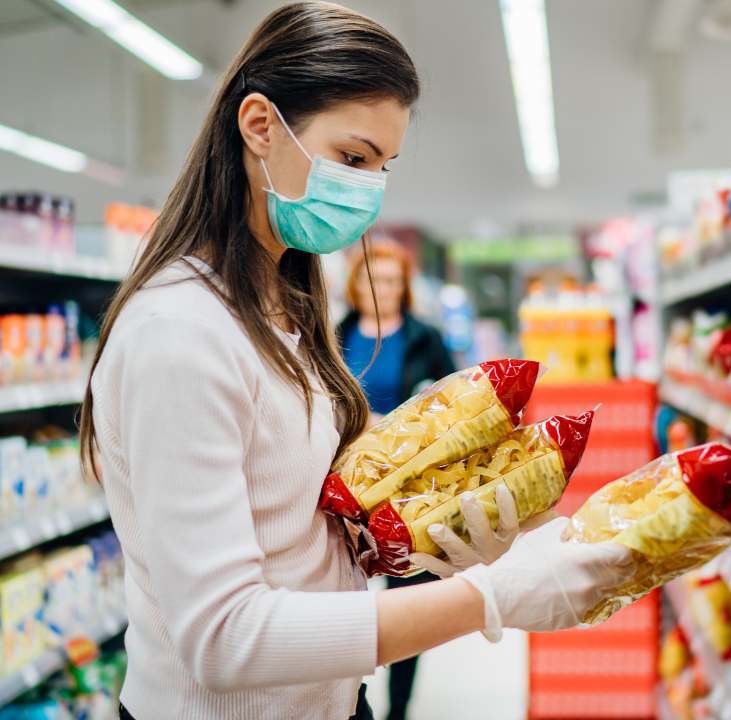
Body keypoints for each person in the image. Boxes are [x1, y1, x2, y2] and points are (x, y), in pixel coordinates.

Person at [78, 3, 632, 720]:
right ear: (259, 126)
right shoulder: (179, 331)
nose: (369, 189)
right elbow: (222, 638)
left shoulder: (284, 309)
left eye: (383, 166)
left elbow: (291, 532)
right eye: (353, 158)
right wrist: (486, 601)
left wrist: (419, 541)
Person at [337, 240, 454, 720]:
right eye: (371, 278)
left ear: (403, 287)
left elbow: (455, 402)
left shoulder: (426, 339)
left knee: (410, 602)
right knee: (346, 599)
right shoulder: (335, 334)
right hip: (350, 490)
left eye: (390, 280)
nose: (380, 289)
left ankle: (398, 710)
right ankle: (350, 693)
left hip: (413, 494)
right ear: (355, 285)